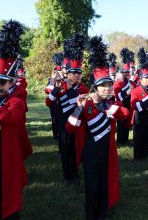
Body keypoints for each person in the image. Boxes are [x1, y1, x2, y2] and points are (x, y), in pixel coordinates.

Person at [65, 36, 129, 220]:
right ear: (95, 87)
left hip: (107, 152)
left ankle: (102, 213)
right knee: (92, 186)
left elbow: (124, 114)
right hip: (91, 152)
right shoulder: (85, 103)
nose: (108, 89)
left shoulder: (112, 104)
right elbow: (70, 128)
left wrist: (106, 106)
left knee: (105, 184)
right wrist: (78, 108)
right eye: (104, 86)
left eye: (110, 85)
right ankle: (90, 215)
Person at [0, 20, 32, 220]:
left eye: (2, 82)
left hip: (6, 158)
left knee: (8, 201)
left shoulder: (16, 100)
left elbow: (13, 117)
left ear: (11, 82)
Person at [46, 33, 89, 186]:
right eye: (73, 73)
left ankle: (75, 174)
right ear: (67, 72)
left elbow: (76, 103)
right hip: (63, 123)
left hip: (77, 123)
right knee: (64, 150)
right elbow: (48, 102)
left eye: (78, 73)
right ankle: (66, 175)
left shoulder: (84, 87)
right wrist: (56, 89)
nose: (76, 75)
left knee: (76, 149)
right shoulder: (60, 84)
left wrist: (70, 89)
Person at [131, 47, 148, 159]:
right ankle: (137, 156)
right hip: (139, 117)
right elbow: (134, 105)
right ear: (140, 79)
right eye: (146, 78)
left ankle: (145, 154)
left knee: (147, 136)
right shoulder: (136, 90)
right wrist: (147, 102)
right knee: (139, 137)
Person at [113, 48, 136, 144]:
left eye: (128, 72)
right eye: (125, 72)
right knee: (121, 124)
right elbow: (118, 97)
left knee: (127, 124)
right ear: (122, 73)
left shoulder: (132, 83)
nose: (126, 74)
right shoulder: (117, 83)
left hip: (129, 105)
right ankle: (120, 140)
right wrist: (127, 92)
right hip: (121, 105)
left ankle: (126, 139)